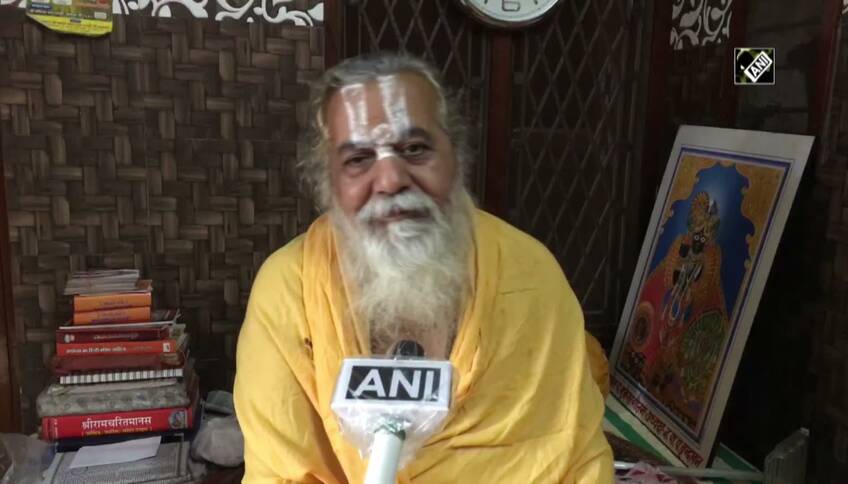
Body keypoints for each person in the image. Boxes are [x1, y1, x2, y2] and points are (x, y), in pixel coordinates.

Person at [234, 52, 614, 483]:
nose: (391, 180)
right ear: (328, 181)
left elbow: (577, 459)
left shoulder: (530, 274)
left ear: (456, 156)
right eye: (359, 159)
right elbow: (278, 474)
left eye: (414, 149)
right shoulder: (289, 292)